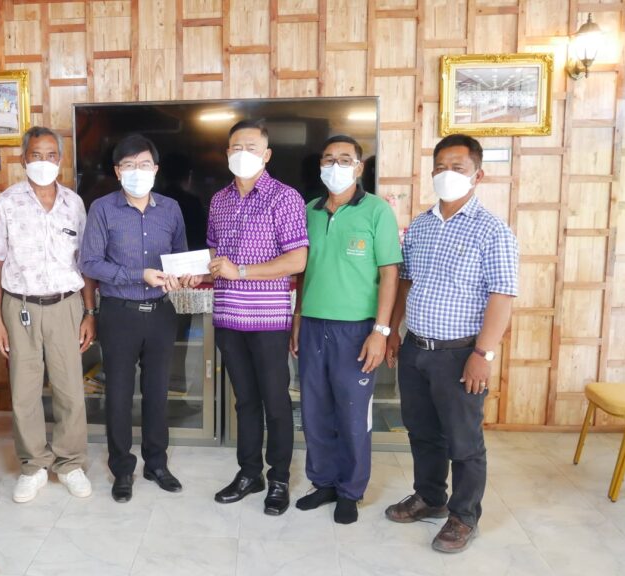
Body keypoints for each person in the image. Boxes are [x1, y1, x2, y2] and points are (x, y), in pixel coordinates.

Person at [384, 134, 518, 553]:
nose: (447, 174)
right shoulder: (421, 225)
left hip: (460, 353)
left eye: (457, 168)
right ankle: (429, 497)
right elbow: (406, 282)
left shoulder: (492, 230)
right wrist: (393, 332)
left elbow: (502, 295)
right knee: (422, 431)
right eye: (440, 167)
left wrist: (483, 354)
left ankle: (464, 516)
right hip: (415, 348)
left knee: (463, 441)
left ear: (478, 175)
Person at [291, 135, 402, 524]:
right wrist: (298, 318)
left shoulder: (376, 211)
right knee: (315, 410)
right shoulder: (309, 210)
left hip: (357, 331)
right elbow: (303, 271)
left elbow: (390, 273)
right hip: (313, 325)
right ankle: (322, 482)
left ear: (359, 167)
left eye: (344, 159)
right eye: (328, 159)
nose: (334, 166)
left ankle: (350, 491)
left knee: (353, 414)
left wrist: (381, 331)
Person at [80, 134, 195, 503]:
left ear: (155, 169)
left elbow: (179, 256)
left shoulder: (171, 209)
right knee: (118, 395)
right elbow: (90, 263)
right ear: (117, 171)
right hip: (119, 313)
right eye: (129, 165)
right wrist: (138, 275)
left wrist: (183, 276)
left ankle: (156, 463)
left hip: (161, 313)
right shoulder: (102, 209)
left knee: (158, 393)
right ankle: (122, 468)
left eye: (144, 164)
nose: (137, 171)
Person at [0, 126, 97, 503]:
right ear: (23, 159)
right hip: (19, 306)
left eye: (51, 155)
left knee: (70, 389)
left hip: (66, 305)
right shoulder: (6, 203)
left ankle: (70, 463)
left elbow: (85, 262)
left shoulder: (74, 203)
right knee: (24, 391)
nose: (44, 161)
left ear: (60, 160)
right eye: (36, 155)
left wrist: (89, 311)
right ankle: (33, 465)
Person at [207, 119, 308, 516]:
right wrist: (198, 270)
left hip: (268, 321)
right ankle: (249, 474)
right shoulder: (219, 200)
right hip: (228, 318)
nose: (242, 154)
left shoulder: (285, 198)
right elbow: (215, 256)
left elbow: (297, 259)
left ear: (266, 155)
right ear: (226, 153)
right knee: (245, 402)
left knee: (275, 402)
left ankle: (279, 478)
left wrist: (243, 271)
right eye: (236, 147)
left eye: (251, 147)